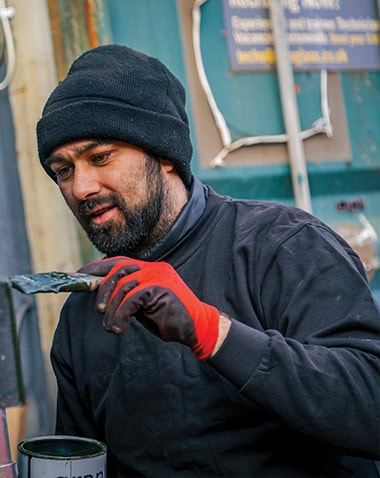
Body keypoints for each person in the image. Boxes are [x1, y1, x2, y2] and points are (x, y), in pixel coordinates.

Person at [35, 44, 380, 476]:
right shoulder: (85, 312)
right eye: (63, 170)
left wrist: (211, 332)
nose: (81, 186)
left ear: (163, 154)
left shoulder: (283, 245)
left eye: (100, 157)